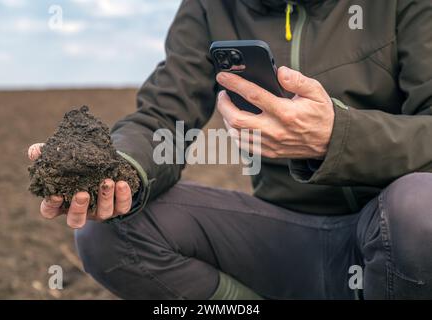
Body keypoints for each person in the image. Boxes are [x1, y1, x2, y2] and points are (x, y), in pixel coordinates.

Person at [28, 0, 432, 299]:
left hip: (391, 237)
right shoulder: (209, 6)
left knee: (420, 209)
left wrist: (337, 138)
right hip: (284, 238)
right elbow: (164, 113)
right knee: (110, 228)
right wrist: (116, 170)